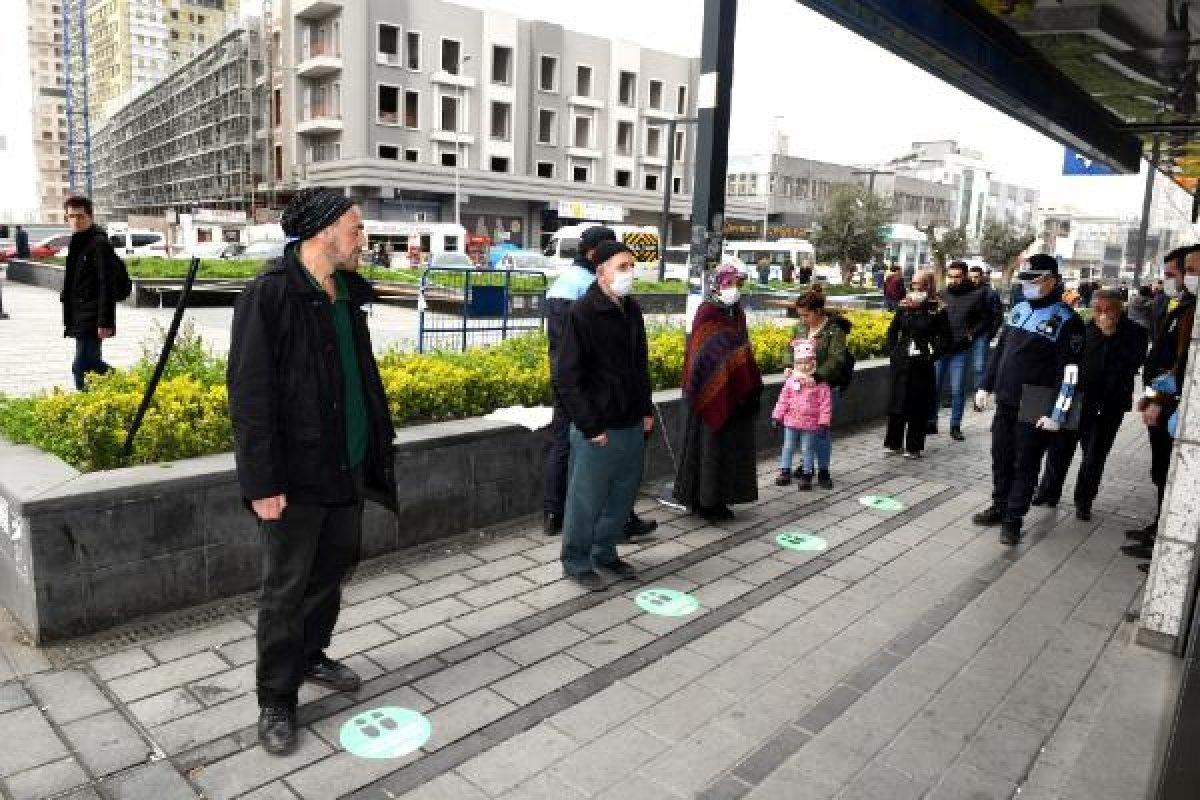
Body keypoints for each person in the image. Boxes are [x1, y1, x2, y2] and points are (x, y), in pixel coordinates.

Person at [227, 187, 399, 756]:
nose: (363, 239)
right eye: (356, 228)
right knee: (285, 587)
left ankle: (311, 654)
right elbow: (250, 397)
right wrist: (262, 483)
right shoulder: (271, 294)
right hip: (294, 477)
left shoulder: (346, 293)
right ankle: (276, 696)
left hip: (347, 464)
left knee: (335, 565)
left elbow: (358, 378)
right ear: (324, 231)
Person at [543, 226, 657, 540]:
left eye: (632, 267)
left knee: (620, 488)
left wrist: (644, 408)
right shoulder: (581, 306)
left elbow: (638, 365)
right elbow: (568, 370)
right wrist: (590, 423)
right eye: (623, 267)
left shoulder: (630, 309)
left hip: (625, 416)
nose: (629, 273)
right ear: (600, 267)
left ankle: (603, 545)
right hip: (593, 412)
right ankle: (575, 546)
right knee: (586, 489)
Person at [973, 254, 1085, 546]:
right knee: (1001, 458)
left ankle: (1013, 520)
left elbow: (1071, 374)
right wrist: (985, 385)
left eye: (1034, 281)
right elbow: (1000, 351)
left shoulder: (1067, 321)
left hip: (1036, 404)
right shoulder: (1019, 309)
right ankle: (999, 506)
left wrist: (1058, 415)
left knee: (1025, 463)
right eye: (1025, 280)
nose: (1027, 286)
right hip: (1007, 399)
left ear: (1052, 281)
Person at [1029, 288, 1147, 520]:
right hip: (1077, 399)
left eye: (1109, 309)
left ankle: (1084, 501)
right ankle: (1048, 492)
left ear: (1120, 309)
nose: (1103, 314)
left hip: (1109, 404)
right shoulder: (1082, 329)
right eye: (1098, 309)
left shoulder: (1136, 333)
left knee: (1094, 455)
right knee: (1059, 450)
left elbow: (1135, 362)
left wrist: (1110, 335)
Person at [1123, 244, 1199, 569]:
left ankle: (1164, 540)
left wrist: (1160, 398)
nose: (1168, 280)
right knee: (1160, 471)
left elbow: (1180, 365)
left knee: (1168, 470)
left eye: (1175, 274)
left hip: (1172, 402)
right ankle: (1158, 529)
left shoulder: (1190, 310)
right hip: (1163, 397)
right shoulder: (1178, 305)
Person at [673, 263, 764, 519]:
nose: (734, 289)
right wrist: (722, 376)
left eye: (738, 284)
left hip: (735, 393)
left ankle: (722, 499)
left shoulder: (738, 314)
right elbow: (702, 356)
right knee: (708, 448)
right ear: (717, 284)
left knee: (730, 448)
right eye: (730, 284)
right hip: (707, 394)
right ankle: (704, 502)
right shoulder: (707, 312)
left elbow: (741, 348)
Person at [884, 270, 951, 457]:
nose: (916, 287)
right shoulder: (904, 305)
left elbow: (946, 338)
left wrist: (932, 354)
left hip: (922, 361)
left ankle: (913, 446)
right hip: (902, 360)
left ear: (929, 285)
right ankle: (893, 443)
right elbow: (892, 331)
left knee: (917, 403)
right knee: (897, 401)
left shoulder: (937, 308)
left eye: (920, 284)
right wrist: (893, 351)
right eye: (913, 284)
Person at [60, 196, 124, 391]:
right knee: (90, 364)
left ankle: (123, 386)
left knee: (81, 366)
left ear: (90, 216)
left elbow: (107, 285)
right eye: (71, 217)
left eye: (80, 216)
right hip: (80, 315)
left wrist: (105, 322)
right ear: (66, 218)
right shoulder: (77, 242)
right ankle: (122, 387)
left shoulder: (98, 244)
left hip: (93, 315)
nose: (76, 221)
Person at [792, 289, 851, 488]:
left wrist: (817, 376)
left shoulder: (834, 331)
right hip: (801, 389)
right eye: (800, 315)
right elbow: (788, 348)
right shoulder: (800, 328)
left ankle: (824, 470)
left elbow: (837, 359)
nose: (802, 319)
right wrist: (786, 366)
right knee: (803, 428)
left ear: (818, 311)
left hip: (825, 388)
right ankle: (805, 465)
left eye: (806, 315)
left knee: (821, 431)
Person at [929, 261, 987, 440]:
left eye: (957, 277)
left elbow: (983, 319)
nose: (953, 280)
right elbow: (932, 320)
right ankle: (931, 422)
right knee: (934, 388)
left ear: (965, 276)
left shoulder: (976, 295)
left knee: (957, 390)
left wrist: (971, 333)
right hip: (941, 349)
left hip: (960, 350)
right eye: (951, 276)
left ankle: (955, 426)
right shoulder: (941, 294)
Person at [772, 339, 832, 489]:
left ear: (814, 362)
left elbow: (825, 404)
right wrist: (777, 416)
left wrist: (824, 422)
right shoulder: (790, 382)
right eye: (799, 363)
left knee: (808, 449)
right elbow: (783, 400)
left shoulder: (820, 384)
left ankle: (807, 474)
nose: (804, 366)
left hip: (811, 425)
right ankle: (785, 470)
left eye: (807, 362)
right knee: (788, 447)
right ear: (794, 364)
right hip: (791, 422)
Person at [967, 265, 1004, 393]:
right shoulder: (966, 291)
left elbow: (997, 316)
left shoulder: (990, 293)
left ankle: (979, 394)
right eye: (971, 277)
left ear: (982, 277)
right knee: (964, 365)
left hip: (982, 334)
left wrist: (990, 334)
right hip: (965, 333)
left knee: (979, 366)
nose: (973, 280)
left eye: (976, 277)